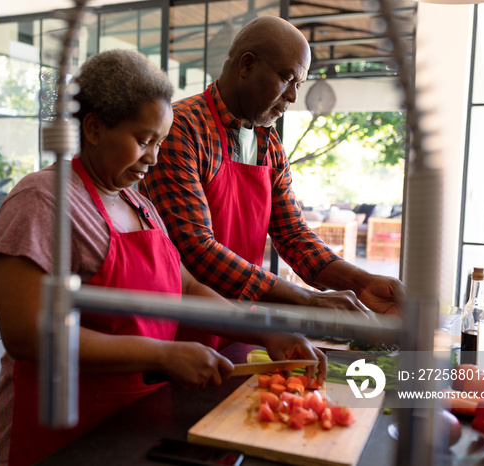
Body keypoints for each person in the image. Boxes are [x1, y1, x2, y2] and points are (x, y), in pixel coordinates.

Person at [0, 49, 326, 466]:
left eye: (160, 142)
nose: (153, 157)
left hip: (136, 423)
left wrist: (266, 332)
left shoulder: (138, 203)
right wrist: (163, 354)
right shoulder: (43, 200)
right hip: (64, 433)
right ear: (93, 128)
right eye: (143, 140)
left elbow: (185, 287)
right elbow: (28, 334)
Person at [141, 16, 405, 351]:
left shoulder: (269, 146)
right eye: (286, 78)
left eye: (299, 84)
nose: (294, 96)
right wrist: (308, 301)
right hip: (180, 335)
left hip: (245, 329)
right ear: (247, 65)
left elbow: (292, 234)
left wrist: (362, 283)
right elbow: (196, 250)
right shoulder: (182, 129)